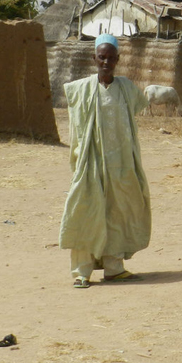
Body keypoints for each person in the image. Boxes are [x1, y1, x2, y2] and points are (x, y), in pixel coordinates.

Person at [59, 33, 151, 288]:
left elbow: (137, 109)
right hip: (91, 164)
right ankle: (81, 272)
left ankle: (114, 268)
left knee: (117, 212)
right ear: (94, 58)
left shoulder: (128, 89)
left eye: (111, 58)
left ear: (118, 59)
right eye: (102, 57)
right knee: (85, 212)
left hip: (121, 165)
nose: (106, 62)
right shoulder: (80, 89)